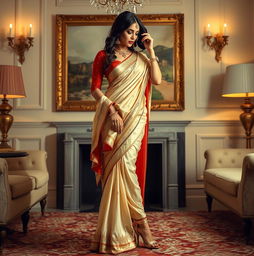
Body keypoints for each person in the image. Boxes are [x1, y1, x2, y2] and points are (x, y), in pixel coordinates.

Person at [90, 11, 162, 254]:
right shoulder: (104, 56)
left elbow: (158, 81)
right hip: (113, 118)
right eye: (128, 31)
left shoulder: (141, 58)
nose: (132, 36)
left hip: (136, 119)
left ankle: (140, 225)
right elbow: (95, 90)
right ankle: (126, 229)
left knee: (127, 168)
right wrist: (111, 110)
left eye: (135, 32)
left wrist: (150, 50)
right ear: (118, 30)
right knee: (116, 172)